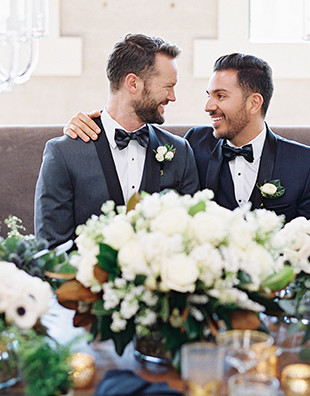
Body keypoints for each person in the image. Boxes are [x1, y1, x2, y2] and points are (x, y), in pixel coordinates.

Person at [63, 52, 310, 223]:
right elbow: (134, 128)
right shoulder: (193, 145)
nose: (208, 107)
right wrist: (91, 122)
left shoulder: (306, 163)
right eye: (209, 95)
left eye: (221, 96)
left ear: (254, 103)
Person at [35, 33, 200, 248]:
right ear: (133, 83)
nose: (172, 97)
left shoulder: (180, 152)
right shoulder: (64, 154)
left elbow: (191, 238)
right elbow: (51, 246)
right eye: (167, 86)